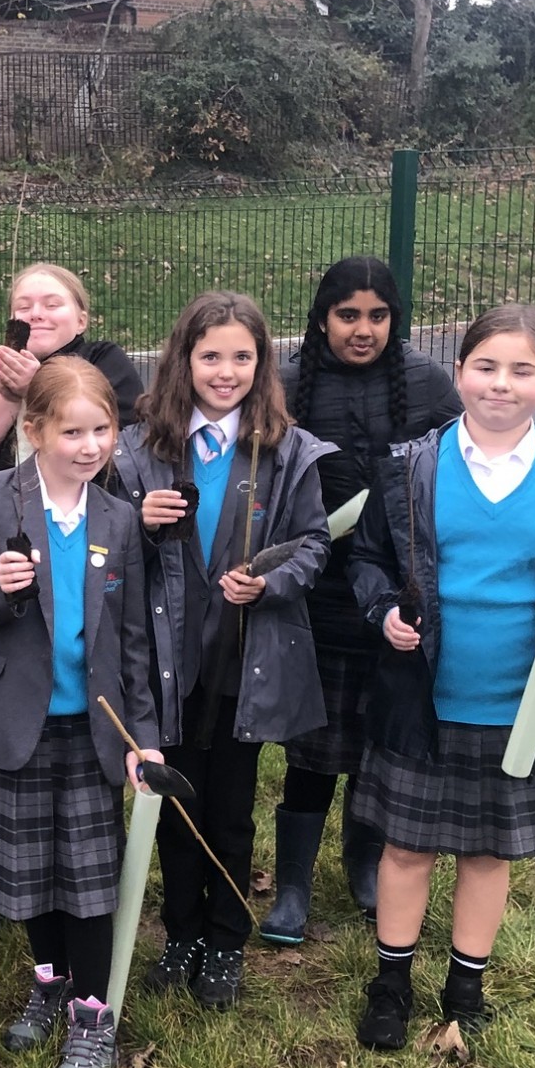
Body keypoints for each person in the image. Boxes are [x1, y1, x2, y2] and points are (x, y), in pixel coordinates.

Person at [347, 303, 535, 1051]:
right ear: (460, 371)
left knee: (486, 852)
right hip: (422, 699)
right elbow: (367, 559)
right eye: (486, 366)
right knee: (406, 848)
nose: (502, 383)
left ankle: (464, 993)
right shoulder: (410, 467)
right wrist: (383, 612)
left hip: (516, 703)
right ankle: (391, 986)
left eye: (522, 371)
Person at [0, 358, 163, 1068]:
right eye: (72, 432)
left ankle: (92, 1016)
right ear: (33, 431)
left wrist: (143, 738)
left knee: (89, 884)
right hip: (13, 728)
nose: (90, 446)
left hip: (91, 732)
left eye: (103, 430)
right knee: (30, 876)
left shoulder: (118, 519)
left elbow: (133, 642)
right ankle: (51, 983)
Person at [113, 291, 331, 1013]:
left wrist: (270, 583)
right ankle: (181, 934)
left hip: (243, 660)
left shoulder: (287, 450)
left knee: (231, 809)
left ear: (262, 364)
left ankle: (227, 939)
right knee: (177, 804)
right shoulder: (139, 449)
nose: (226, 371)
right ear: (183, 359)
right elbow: (104, 547)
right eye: (210, 356)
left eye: (243, 357)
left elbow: (314, 543)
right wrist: (138, 523)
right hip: (166, 660)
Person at [262, 259, 462, 944]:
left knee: (377, 740)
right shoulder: (288, 384)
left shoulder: (426, 383)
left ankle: (364, 863)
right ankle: (292, 887)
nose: (363, 330)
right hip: (314, 594)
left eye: (378, 316)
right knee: (313, 748)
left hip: (395, 596)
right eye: (348, 315)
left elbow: (459, 463)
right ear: (323, 317)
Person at [0, 263, 144, 481]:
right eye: (23, 307)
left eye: (52, 305)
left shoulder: (103, 359)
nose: (35, 314)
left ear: (81, 321)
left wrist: (35, 388)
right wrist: (9, 396)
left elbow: (125, 449)